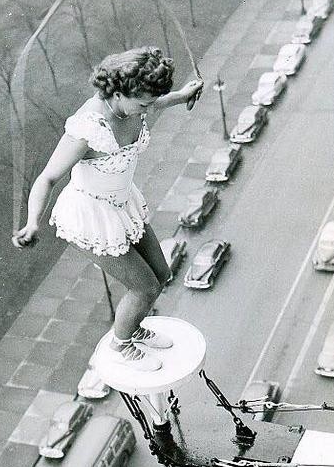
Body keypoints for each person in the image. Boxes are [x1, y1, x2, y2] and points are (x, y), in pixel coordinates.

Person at [13, 46, 203, 372]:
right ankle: (121, 344)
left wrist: (182, 95)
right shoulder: (88, 128)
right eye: (142, 104)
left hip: (122, 205)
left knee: (162, 274)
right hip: (90, 217)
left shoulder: (133, 103)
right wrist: (32, 223)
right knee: (144, 287)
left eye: (150, 102)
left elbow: (155, 101)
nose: (147, 109)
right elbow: (47, 178)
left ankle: (134, 327)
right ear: (117, 94)